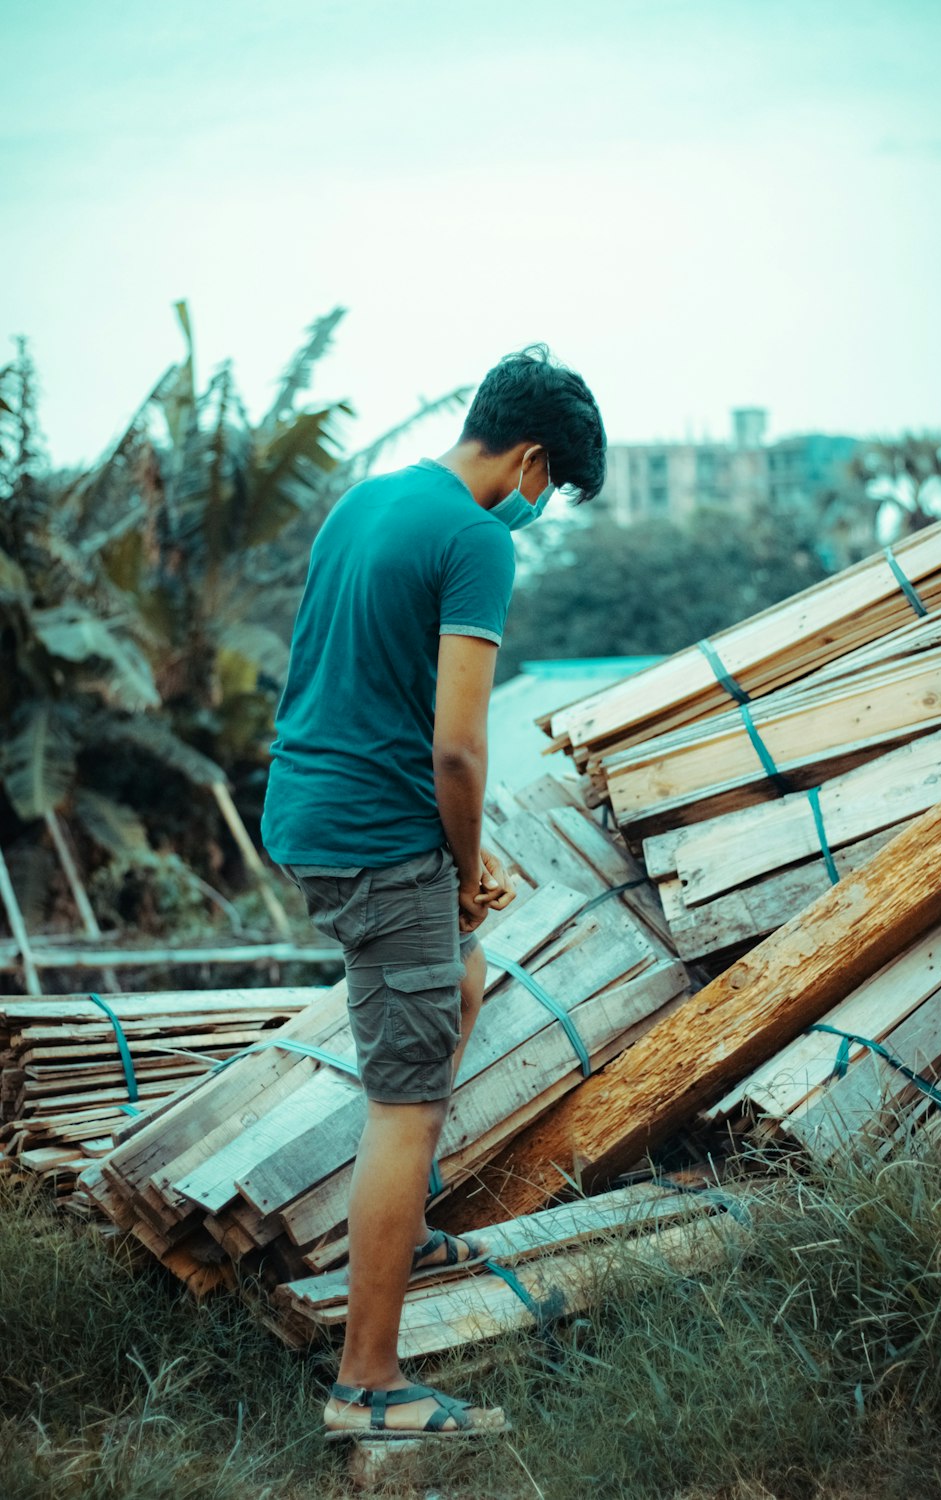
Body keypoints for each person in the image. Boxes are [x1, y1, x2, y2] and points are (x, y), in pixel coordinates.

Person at [261, 344, 606, 1441]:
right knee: (407, 1098)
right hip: (378, 835)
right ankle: (368, 1388)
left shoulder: (364, 503)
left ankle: (394, 1229)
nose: (542, 507)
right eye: (554, 489)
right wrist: (464, 869)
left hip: (307, 809)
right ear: (533, 461)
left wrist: (457, 873)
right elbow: (457, 750)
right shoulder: (472, 539)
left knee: (451, 984)